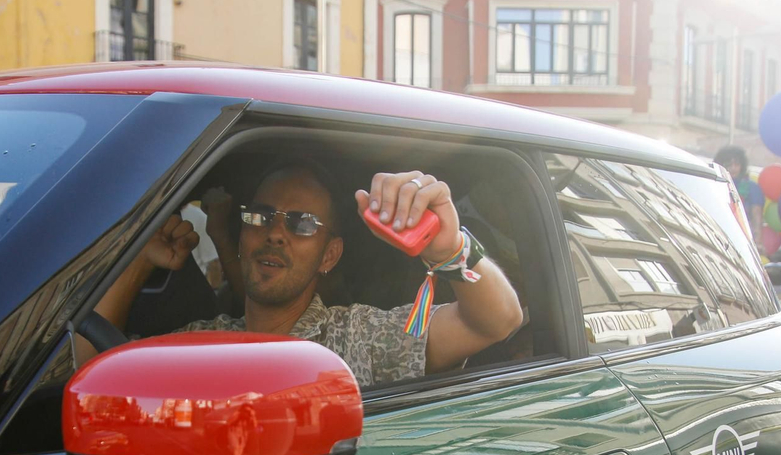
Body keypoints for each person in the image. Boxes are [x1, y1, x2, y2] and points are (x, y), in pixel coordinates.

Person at [91, 163, 523, 386]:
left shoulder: (357, 338)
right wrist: (138, 262)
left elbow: (496, 320)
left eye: (301, 224)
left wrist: (449, 250)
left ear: (328, 255)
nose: (276, 233)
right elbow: (89, 371)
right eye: (260, 217)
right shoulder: (201, 342)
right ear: (241, 239)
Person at [714, 145, 763, 236]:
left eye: (737, 164)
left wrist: (757, 239)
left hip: (743, 236)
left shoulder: (752, 187)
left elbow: (756, 216)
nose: (733, 168)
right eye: (729, 164)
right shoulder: (715, 184)